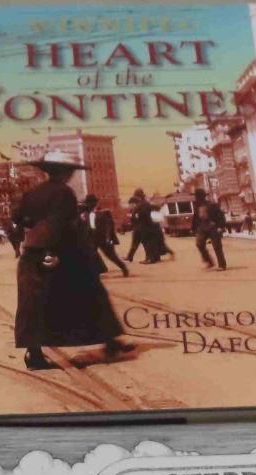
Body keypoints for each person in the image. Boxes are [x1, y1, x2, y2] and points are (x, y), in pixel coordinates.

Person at [10, 151, 130, 372]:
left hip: (31, 253)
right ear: (64, 172)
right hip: (60, 252)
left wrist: (35, 225)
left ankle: (33, 354)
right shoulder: (64, 192)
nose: (72, 174)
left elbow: (17, 217)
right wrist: (51, 249)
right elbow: (58, 224)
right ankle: (111, 342)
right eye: (71, 171)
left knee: (34, 303)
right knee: (92, 293)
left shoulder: (33, 192)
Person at [81, 194, 128, 276]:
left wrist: (110, 238)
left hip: (100, 239)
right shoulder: (92, 213)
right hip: (95, 238)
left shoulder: (101, 213)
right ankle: (98, 271)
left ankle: (123, 268)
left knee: (111, 256)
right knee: (94, 255)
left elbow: (108, 227)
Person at [124, 188, 170, 264]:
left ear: (139, 196)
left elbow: (144, 215)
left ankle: (150, 258)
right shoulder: (143, 203)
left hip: (145, 227)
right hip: (144, 227)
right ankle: (153, 258)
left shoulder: (143, 204)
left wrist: (135, 216)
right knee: (147, 243)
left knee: (148, 244)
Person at [192, 188, 229, 270]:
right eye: (196, 197)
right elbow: (195, 218)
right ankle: (209, 262)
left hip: (213, 227)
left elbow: (221, 216)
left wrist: (221, 227)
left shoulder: (212, 205)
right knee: (199, 244)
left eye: (198, 197)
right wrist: (194, 229)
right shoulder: (197, 206)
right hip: (202, 227)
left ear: (202, 197)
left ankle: (222, 265)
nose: (197, 198)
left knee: (217, 246)